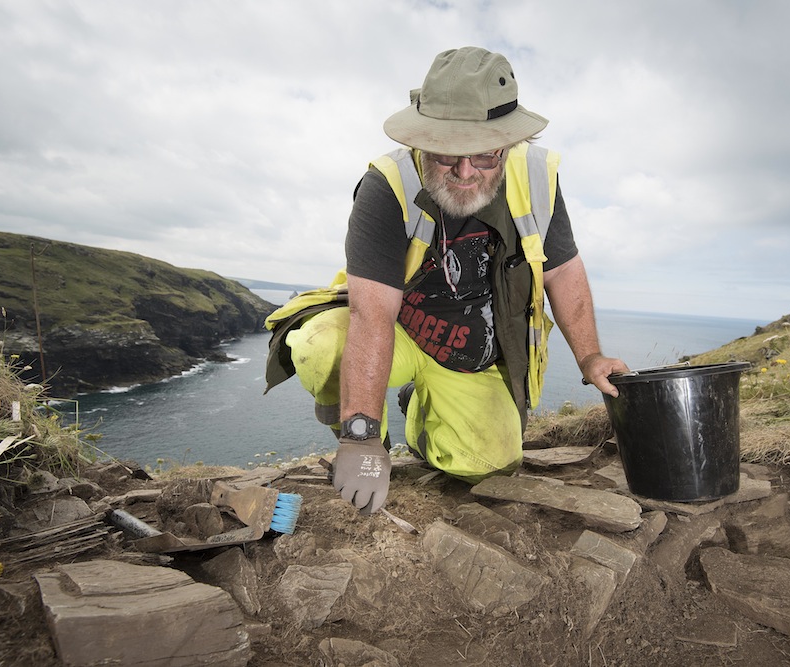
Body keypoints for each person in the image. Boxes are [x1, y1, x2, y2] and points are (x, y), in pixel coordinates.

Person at [265, 46, 628, 514]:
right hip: (395, 337)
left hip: (470, 359)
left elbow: (562, 269)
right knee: (318, 346)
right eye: (446, 154)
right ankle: (368, 419)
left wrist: (591, 355)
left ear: (507, 142)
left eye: (483, 156)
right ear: (423, 139)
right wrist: (361, 436)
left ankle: (418, 413)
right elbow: (371, 314)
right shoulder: (387, 185)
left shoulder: (538, 177)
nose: (464, 172)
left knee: (489, 463)